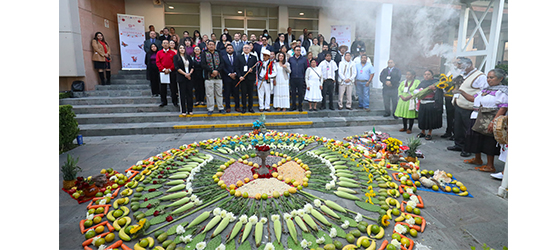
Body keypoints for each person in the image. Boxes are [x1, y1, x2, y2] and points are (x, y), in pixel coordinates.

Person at [461, 68, 508, 173]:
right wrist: (460, 91)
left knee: (489, 141)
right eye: (487, 77)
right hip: (479, 116)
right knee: (476, 138)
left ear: (500, 78)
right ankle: (477, 159)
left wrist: (494, 121)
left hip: (491, 117)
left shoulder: (502, 91)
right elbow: (473, 99)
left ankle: (490, 165)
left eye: (492, 77)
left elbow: (503, 108)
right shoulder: (485, 90)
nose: (488, 79)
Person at [447, 57, 488, 157]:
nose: (458, 67)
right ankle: (459, 145)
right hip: (459, 105)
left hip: (469, 107)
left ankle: (467, 148)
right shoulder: (463, 74)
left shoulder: (480, 76)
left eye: (460, 64)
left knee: (468, 129)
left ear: (468, 65)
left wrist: (473, 98)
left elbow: (484, 92)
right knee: (458, 127)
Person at [416, 70, 443, 140]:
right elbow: (416, 90)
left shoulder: (436, 83)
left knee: (430, 119)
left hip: (431, 103)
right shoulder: (422, 82)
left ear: (432, 75)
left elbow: (440, 92)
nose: (426, 76)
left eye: (428, 74)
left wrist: (434, 89)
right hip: (423, 102)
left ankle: (429, 133)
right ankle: (423, 132)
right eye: (425, 74)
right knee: (422, 118)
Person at [200, 40, 225, 115]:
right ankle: (210, 108)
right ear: (207, 46)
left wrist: (216, 71)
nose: (211, 46)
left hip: (218, 77)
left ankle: (220, 107)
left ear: (215, 46)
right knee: (209, 94)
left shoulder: (218, 53)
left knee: (219, 93)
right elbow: (203, 64)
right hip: (208, 77)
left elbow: (222, 64)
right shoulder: (204, 53)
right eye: (209, 44)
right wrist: (211, 71)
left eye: (212, 44)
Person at [235, 44, 258, 113]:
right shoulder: (239, 57)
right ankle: (244, 107)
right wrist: (239, 76)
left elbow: (256, 68)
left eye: (248, 48)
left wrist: (252, 70)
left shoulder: (254, 57)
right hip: (243, 78)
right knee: (243, 93)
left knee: (250, 93)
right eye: (245, 48)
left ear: (250, 49)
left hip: (250, 78)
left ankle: (250, 107)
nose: (246, 49)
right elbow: (237, 67)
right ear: (243, 49)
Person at [174, 45, 195, 116]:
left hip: (189, 77)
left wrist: (189, 74)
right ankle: (183, 110)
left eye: (183, 48)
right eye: (180, 48)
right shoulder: (176, 57)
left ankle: (190, 110)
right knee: (182, 94)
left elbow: (192, 66)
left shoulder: (188, 57)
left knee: (190, 93)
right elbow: (177, 67)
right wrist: (185, 74)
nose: (182, 49)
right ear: (178, 49)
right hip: (181, 77)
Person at [156, 40, 178, 107]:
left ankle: (175, 101)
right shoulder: (159, 53)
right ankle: (163, 101)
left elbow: (175, 62)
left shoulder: (173, 53)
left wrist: (170, 69)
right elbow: (158, 62)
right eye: (164, 43)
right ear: (162, 45)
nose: (165, 44)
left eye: (167, 43)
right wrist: (163, 69)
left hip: (171, 72)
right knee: (163, 88)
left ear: (169, 45)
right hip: (163, 72)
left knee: (173, 87)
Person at [221, 44, 240, 113]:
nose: (229, 49)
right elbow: (223, 67)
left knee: (236, 93)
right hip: (227, 77)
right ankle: (228, 107)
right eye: (228, 48)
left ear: (233, 49)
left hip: (235, 77)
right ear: (226, 50)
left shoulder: (237, 57)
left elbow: (238, 66)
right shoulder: (223, 57)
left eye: (230, 48)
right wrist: (229, 74)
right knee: (227, 93)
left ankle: (237, 106)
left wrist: (235, 73)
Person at [288, 46, 308, 112]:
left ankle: (300, 106)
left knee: (300, 93)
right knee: (293, 93)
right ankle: (293, 106)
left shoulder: (304, 59)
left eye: (299, 50)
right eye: (297, 50)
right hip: (293, 77)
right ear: (294, 51)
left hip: (300, 78)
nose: (298, 51)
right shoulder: (291, 59)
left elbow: (306, 68)